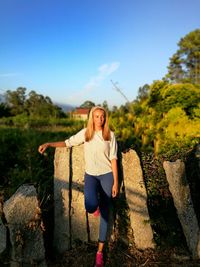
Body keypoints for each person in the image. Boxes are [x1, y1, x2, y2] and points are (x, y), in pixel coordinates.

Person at [38, 106, 118, 267]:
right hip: (91, 176)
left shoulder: (110, 135)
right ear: (92, 118)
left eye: (102, 116)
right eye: (96, 116)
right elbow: (67, 143)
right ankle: (94, 209)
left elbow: (114, 159)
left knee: (105, 212)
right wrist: (49, 143)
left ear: (105, 118)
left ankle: (99, 252)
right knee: (90, 205)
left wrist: (116, 181)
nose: (100, 119)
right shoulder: (85, 133)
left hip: (107, 175)